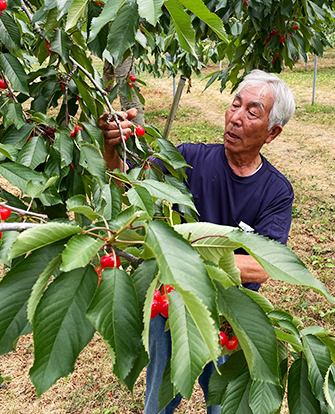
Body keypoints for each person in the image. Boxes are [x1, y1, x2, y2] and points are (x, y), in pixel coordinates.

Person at [98, 69, 296, 414]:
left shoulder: (276, 192)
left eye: (252, 112)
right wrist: (112, 146)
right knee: (160, 393)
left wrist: (184, 259)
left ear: (272, 132)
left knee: (222, 401)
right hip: (170, 303)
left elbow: (264, 265)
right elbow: (127, 188)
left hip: (228, 317)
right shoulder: (188, 158)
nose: (236, 117)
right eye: (235, 104)